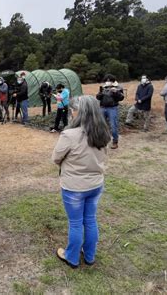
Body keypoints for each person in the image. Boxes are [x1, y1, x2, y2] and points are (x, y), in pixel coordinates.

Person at [52, 95, 111, 268]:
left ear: (80, 112)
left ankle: (72, 257)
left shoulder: (69, 135)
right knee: (90, 220)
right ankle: (90, 255)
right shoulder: (103, 132)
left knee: (76, 223)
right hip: (96, 185)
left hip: (74, 188)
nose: (71, 112)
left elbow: (55, 158)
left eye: (73, 110)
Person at [96, 74, 124, 149]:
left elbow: (121, 98)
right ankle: (102, 141)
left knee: (113, 125)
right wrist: (101, 93)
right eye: (106, 80)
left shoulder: (118, 87)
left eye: (109, 80)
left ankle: (115, 142)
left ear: (113, 81)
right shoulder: (103, 87)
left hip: (112, 108)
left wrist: (116, 92)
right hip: (102, 108)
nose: (108, 82)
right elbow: (98, 97)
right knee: (101, 125)